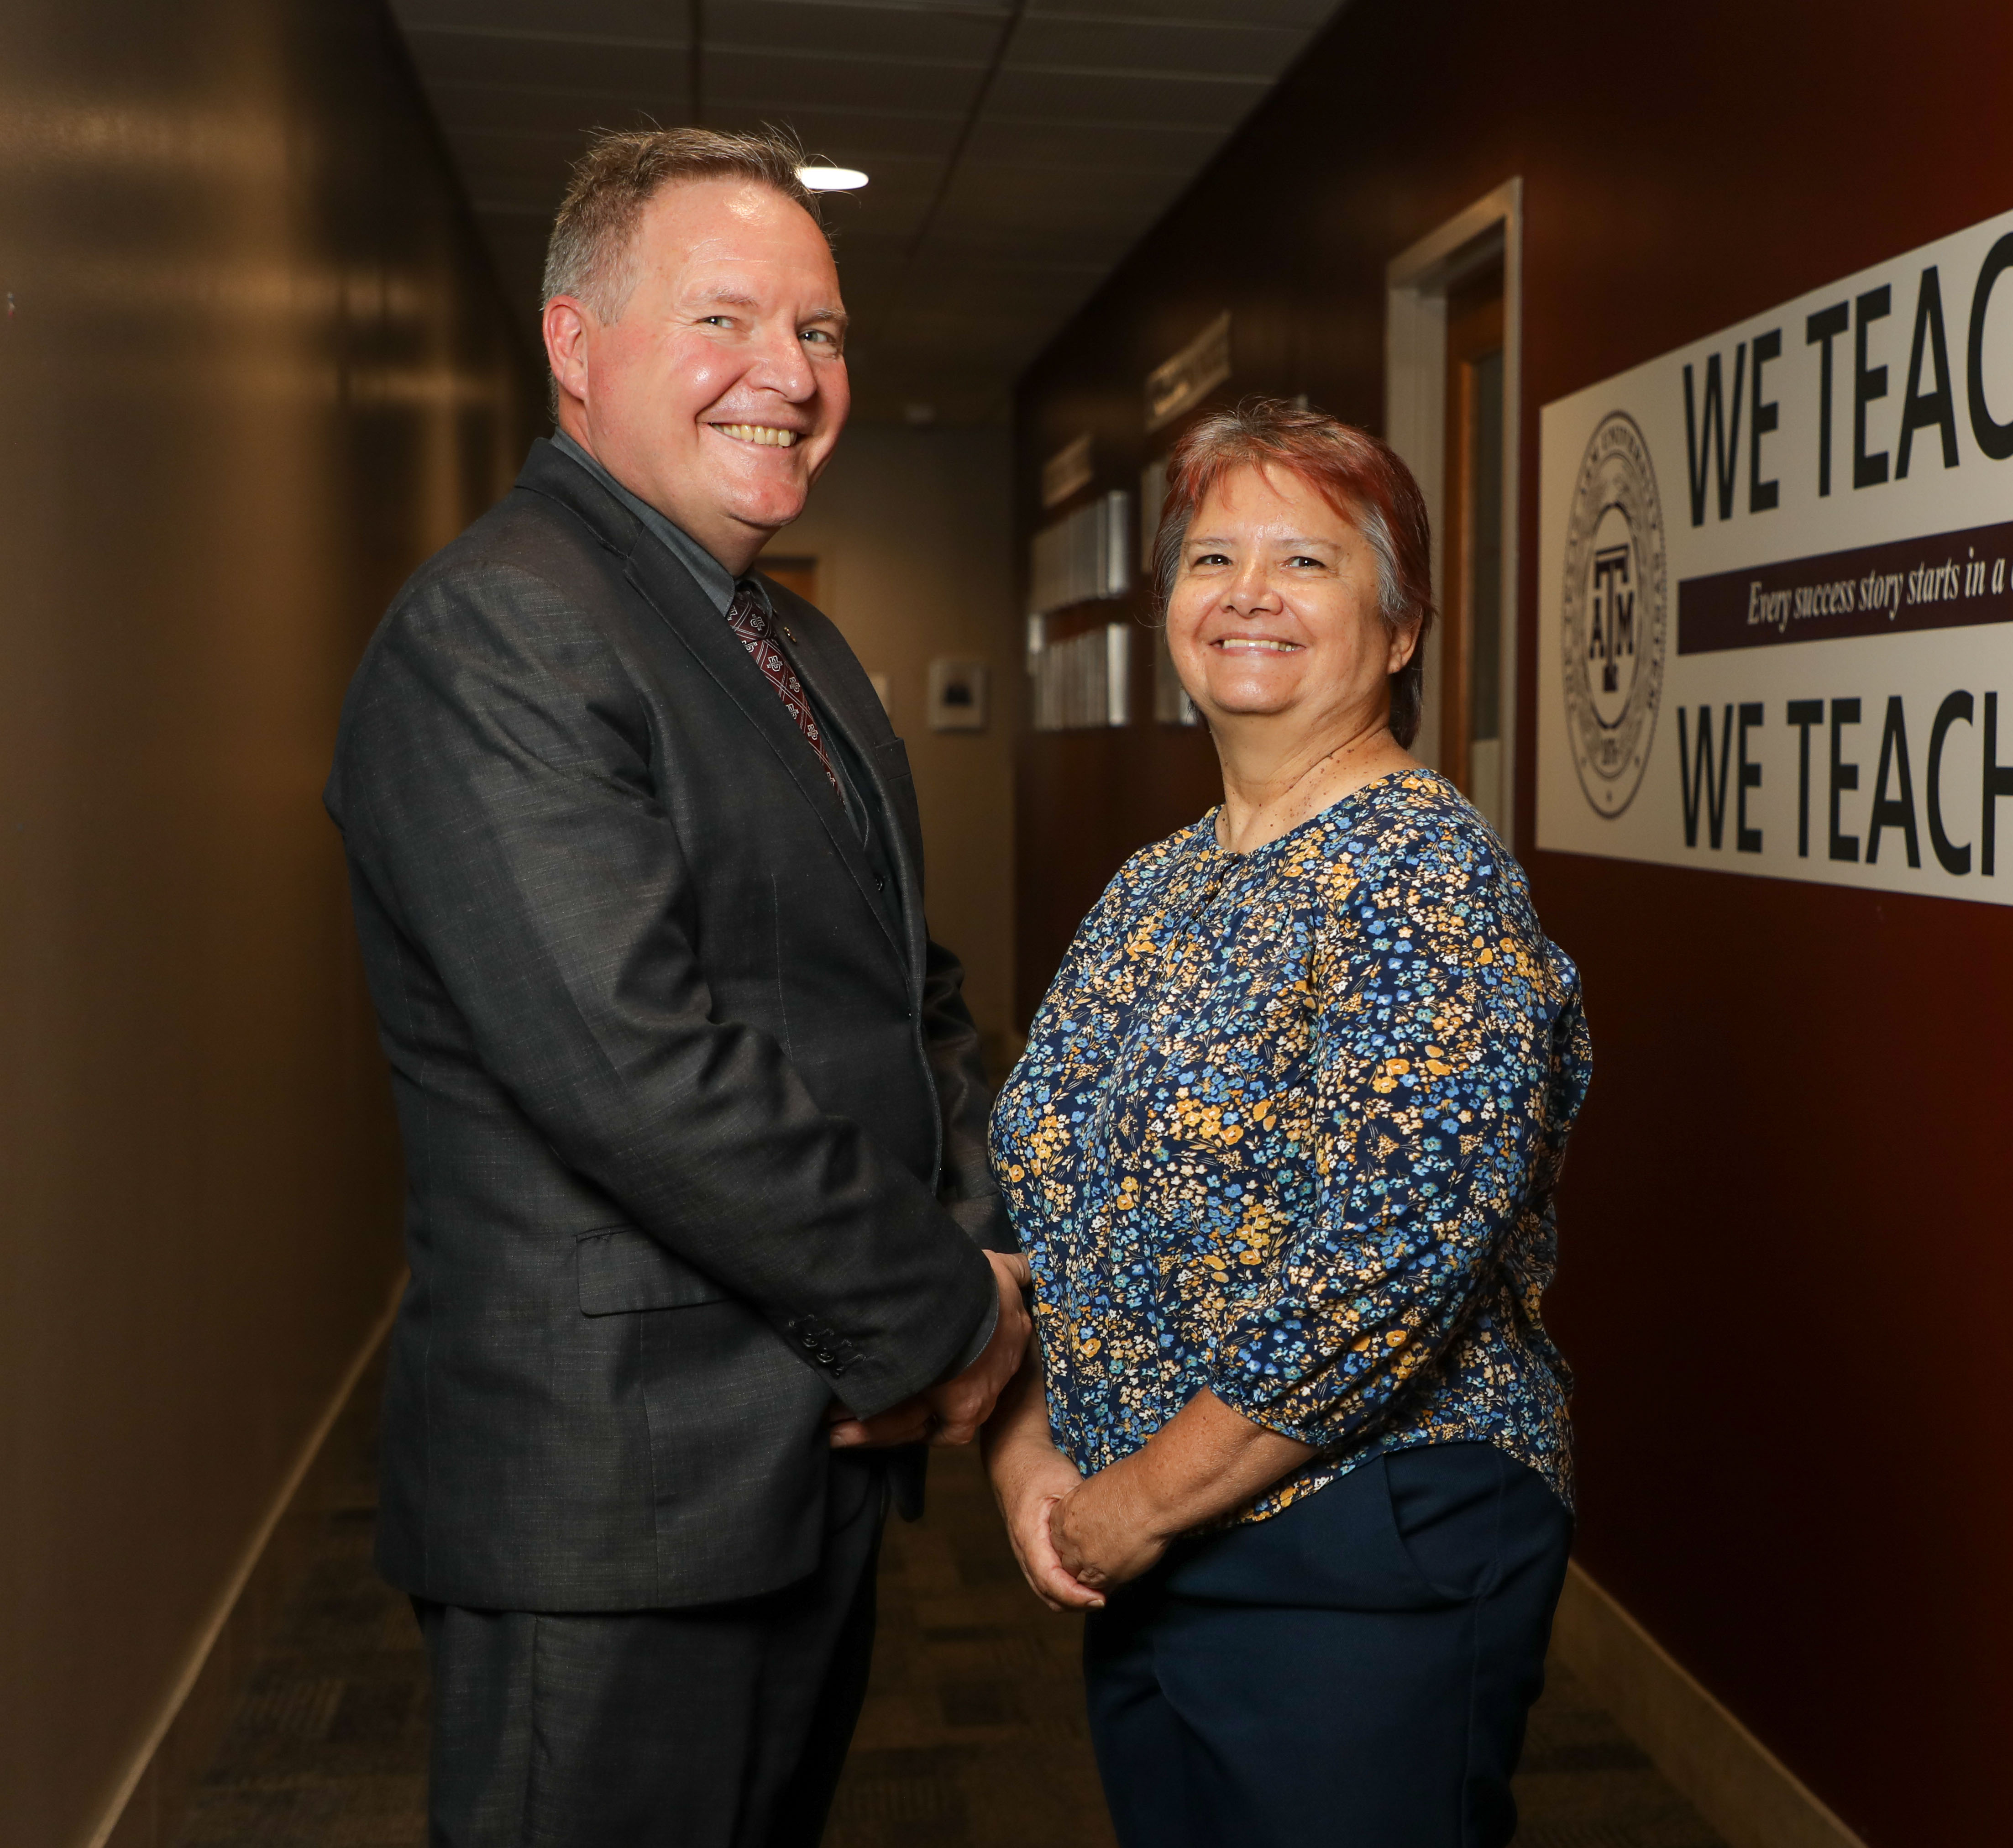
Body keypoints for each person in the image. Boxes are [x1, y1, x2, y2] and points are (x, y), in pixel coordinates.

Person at [323, 126, 1026, 1848]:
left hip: (808, 1462)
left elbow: (902, 995)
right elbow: (640, 1069)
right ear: (578, 345)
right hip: (617, 1503)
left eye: (825, 333)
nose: (786, 378)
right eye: (727, 319)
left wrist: (982, 1225)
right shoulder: (502, 631)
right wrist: (949, 1312)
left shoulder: (787, 643)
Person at [984, 399, 1591, 1847]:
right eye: (1210, 559)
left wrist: (1137, 1501)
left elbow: (1374, 1277)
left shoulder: (1428, 884)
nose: (1248, 594)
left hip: (1359, 1554)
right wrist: (1027, 1456)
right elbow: (1041, 1190)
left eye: (1307, 563)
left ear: (1399, 629)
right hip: (1151, 1546)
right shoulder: (1157, 884)